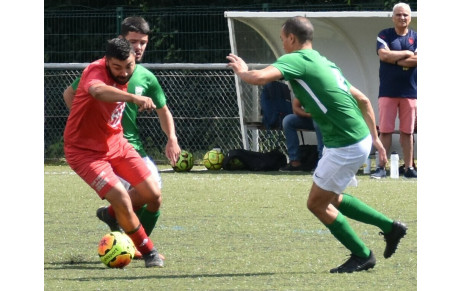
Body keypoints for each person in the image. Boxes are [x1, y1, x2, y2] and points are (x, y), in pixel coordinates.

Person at [226, 16, 407, 273]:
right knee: (332, 197)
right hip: (355, 138)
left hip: (345, 143)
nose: (282, 45)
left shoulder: (295, 59)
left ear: (290, 38)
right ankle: (391, 228)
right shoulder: (326, 63)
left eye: (282, 39)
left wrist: (243, 70)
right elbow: (364, 100)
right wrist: (375, 139)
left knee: (316, 204)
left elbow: (258, 78)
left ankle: (362, 254)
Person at [63, 17, 181, 255]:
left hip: (118, 144)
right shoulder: (95, 71)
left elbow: (163, 110)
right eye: (118, 68)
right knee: (122, 198)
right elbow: (96, 90)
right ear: (108, 60)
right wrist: (131, 98)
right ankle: (147, 251)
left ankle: (112, 215)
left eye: (129, 67)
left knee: (153, 194)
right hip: (85, 152)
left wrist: (172, 138)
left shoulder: (142, 74)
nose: (124, 73)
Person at [371, 2, 417, 179]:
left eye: (405, 15)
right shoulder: (384, 34)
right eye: (398, 15)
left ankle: (409, 168)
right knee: (385, 130)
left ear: (410, 17)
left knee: (408, 132)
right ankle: (381, 167)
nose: (402, 18)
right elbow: (383, 54)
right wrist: (407, 53)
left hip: (410, 92)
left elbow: (417, 60)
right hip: (387, 91)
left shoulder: (417, 37)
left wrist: (394, 59)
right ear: (393, 17)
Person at [280, 97, 324, 171]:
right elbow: (296, 108)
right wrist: (309, 115)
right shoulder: (304, 88)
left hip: (327, 119)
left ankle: (322, 163)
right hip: (311, 117)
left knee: (318, 122)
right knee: (288, 120)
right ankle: (295, 162)